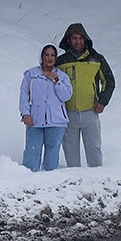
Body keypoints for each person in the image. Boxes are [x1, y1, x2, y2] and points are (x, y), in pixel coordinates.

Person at [55, 22, 115, 167]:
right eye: (74, 38)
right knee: (70, 152)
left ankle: (98, 182)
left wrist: (102, 101)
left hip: (90, 112)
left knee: (94, 150)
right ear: (69, 40)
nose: (78, 41)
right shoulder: (61, 62)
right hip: (68, 113)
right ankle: (75, 184)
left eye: (81, 38)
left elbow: (109, 81)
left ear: (85, 40)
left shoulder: (97, 59)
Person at [19, 44, 73, 172]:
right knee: (32, 151)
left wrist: (56, 81)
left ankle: (50, 181)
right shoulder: (31, 74)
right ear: (42, 57)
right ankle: (28, 180)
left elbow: (66, 96)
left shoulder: (62, 76)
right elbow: (23, 95)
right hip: (35, 120)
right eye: (46, 55)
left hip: (56, 121)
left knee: (52, 153)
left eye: (52, 55)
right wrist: (25, 113)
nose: (49, 58)